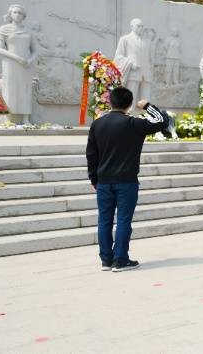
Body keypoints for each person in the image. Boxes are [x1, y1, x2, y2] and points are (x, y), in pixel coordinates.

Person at [86, 87, 170, 272]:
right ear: (130, 104)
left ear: (110, 102)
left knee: (104, 220)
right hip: (127, 181)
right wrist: (147, 106)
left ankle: (106, 260)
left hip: (104, 181)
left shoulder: (98, 124)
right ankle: (120, 259)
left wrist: (93, 178)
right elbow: (162, 121)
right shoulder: (134, 124)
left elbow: (91, 154)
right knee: (123, 220)